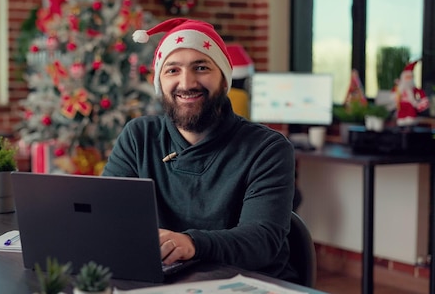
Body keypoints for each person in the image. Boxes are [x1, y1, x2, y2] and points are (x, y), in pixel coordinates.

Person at [102, 18, 297, 282]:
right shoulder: (139, 136)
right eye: (172, 70)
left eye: (201, 67)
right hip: (165, 283)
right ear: (159, 82)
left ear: (224, 80)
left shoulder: (268, 149)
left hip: (246, 284)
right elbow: (106, 216)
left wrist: (191, 243)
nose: (187, 83)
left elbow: (261, 239)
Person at [393, 60, 429, 126]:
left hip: (410, 107)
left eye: (410, 77)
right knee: (401, 118)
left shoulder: (413, 89)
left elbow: (422, 95)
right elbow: (393, 95)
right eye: (407, 77)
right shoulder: (399, 88)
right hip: (401, 107)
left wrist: (422, 103)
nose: (408, 80)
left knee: (410, 118)